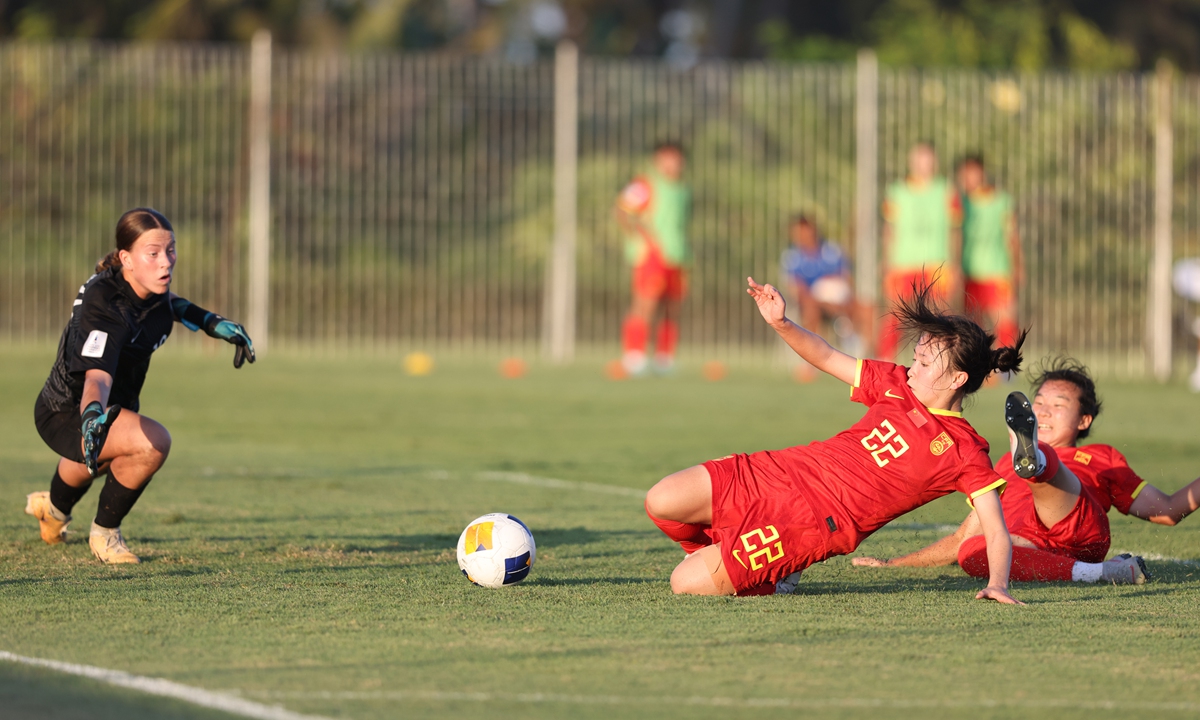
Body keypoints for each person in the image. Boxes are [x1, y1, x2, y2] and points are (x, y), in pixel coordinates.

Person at [644, 278, 1025, 603]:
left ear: (957, 380)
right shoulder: (896, 383)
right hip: (783, 471)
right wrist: (781, 323)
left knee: (684, 584)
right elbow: (825, 356)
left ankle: (772, 578)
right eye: (916, 357)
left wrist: (998, 583)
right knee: (660, 501)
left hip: (808, 524)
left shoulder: (963, 449)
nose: (913, 367)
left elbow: (994, 528)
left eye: (925, 365)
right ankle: (718, 553)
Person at [25, 208, 255, 564]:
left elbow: (170, 305)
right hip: (68, 411)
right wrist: (91, 417)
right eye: (153, 253)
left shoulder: (146, 286)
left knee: (104, 455)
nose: (166, 262)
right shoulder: (106, 306)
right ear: (126, 259)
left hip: (107, 410)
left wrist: (211, 322)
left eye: (171, 250)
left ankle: (52, 512)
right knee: (152, 444)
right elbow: (96, 377)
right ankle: (105, 535)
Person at [853, 358, 1197, 584]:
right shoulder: (1003, 464)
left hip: (1077, 528)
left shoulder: (1102, 456)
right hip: (1028, 543)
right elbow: (962, 536)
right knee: (973, 551)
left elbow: (1167, 511)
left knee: (1043, 462)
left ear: (1084, 420)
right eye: (1040, 403)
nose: (1045, 412)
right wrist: (894, 564)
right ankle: (1101, 574)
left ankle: (1039, 464)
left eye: (1058, 406)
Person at [877, 142, 962, 361]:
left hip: (937, 262)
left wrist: (954, 262)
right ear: (912, 161)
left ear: (935, 161)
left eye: (928, 158)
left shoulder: (947, 189)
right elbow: (889, 228)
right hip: (903, 261)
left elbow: (954, 229)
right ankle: (885, 361)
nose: (924, 164)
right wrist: (886, 260)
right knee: (894, 312)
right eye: (919, 158)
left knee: (939, 315)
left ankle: (940, 360)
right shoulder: (896, 191)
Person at [615, 141, 691, 376]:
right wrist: (640, 239)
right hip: (651, 256)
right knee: (645, 304)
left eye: (677, 158)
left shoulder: (683, 189)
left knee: (672, 307)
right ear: (657, 160)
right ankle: (634, 355)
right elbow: (622, 212)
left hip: (677, 255)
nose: (673, 163)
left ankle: (664, 358)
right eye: (667, 157)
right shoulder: (645, 184)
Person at [780, 214, 865, 378]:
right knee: (811, 307)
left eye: (807, 232)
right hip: (812, 303)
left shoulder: (832, 251)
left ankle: (869, 356)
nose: (803, 236)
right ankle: (810, 361)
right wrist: (821, 300)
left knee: (867, 308)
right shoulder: (792, 257)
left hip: (840, 301)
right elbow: (796, 289)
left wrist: (842, 295)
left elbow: (846, 278)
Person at [958, 154, 1021, 349]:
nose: (967, 179)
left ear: (981, 173)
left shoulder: (1001, 201)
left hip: (997, 270)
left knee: (1004, 318)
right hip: (971, 272)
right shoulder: (961, 203)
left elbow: (1012, 236)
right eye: (963, 175)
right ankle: (983, 367)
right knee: (974, 324)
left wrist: (1018, 265)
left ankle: (1006, 366)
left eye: (971, 174)